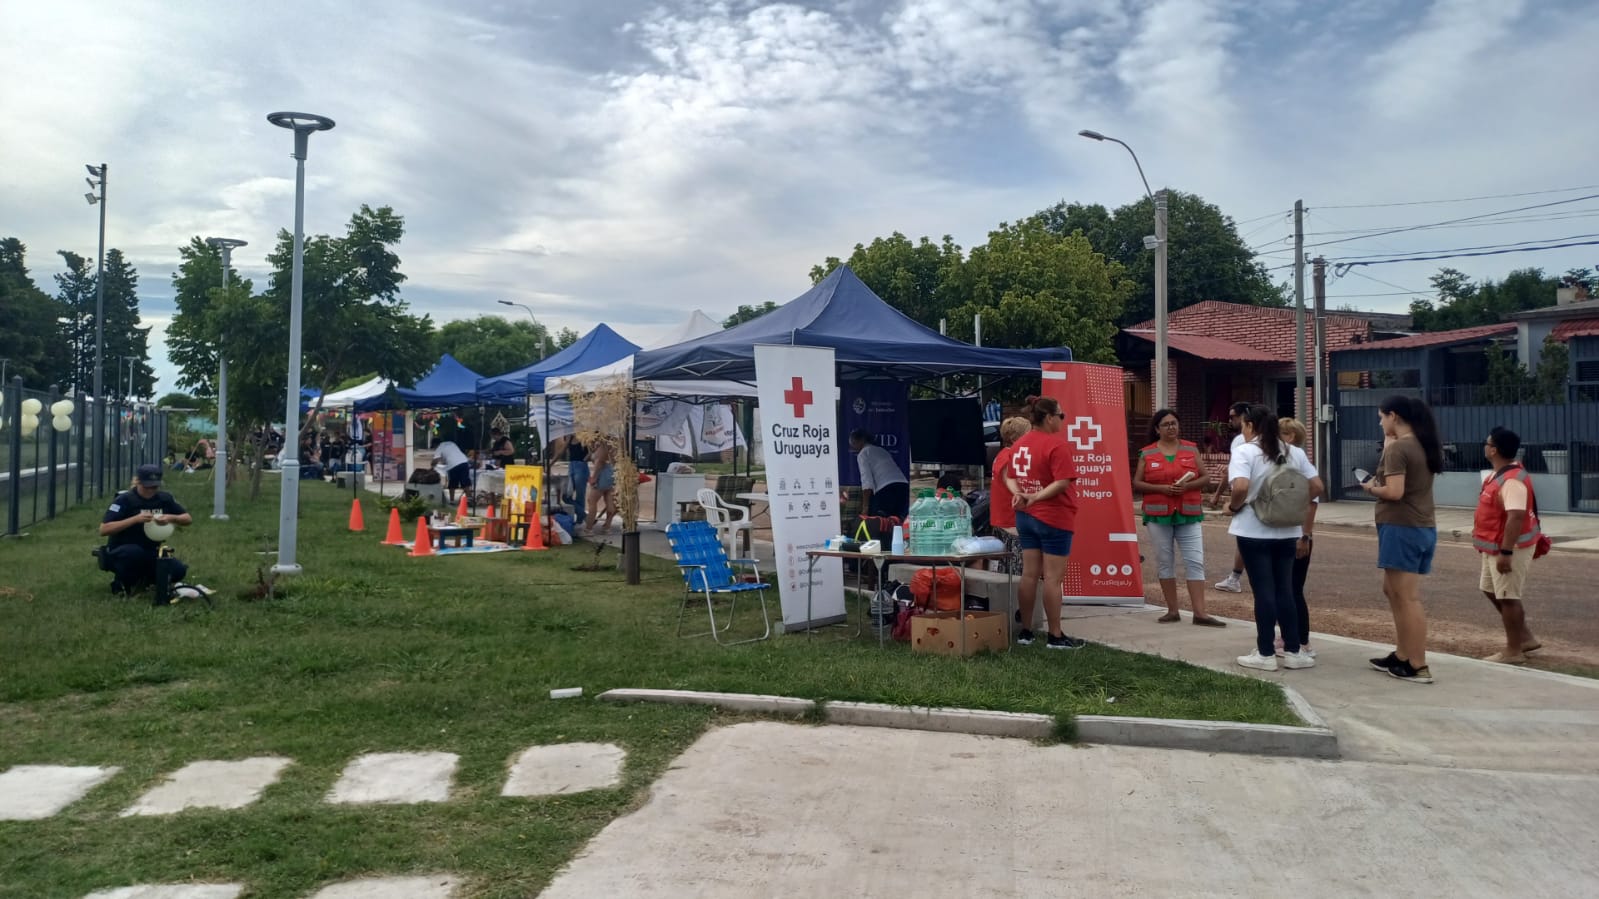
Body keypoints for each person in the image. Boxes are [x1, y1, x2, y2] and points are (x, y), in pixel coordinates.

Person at [1226, 404, 1323, 672]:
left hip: (1252, 529)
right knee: (1285, 590)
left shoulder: (1245, 451)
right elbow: (1316, 486)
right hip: (1288, 530)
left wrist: (1234, 506)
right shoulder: (1294, 452)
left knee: (1264, 591)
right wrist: (1292, 505)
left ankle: (1266, 652)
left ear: (1249, 426)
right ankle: (1293, 650)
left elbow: (1241, 486)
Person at [1362, 395, 1443, 684]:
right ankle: (1403, 653)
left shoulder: (1400, 449)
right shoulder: (1419, 443)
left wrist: (1371, 488)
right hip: (1417, 527)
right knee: (1393, 591)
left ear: (1394, 416)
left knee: (1407, 597)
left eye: (1382, 417)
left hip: (1402, 527)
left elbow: (1394, 492)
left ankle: (1418, 663)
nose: (1380, 422)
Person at [1004, 395, 1083, 650]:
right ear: (1049, 418)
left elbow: (1010, 475)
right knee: (1052, 579)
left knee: (1029, 575)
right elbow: (1062, 482)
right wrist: (1036, 496)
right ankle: (1055, 635)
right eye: (1061, 415)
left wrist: (1021, 494)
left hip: (1025, 517)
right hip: (1053, 517)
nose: (1063, 420)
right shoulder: (1056, 446)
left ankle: (1025, 632)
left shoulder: (1019, 445)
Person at [1133, 409, 1224, 627]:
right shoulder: (1147, 453)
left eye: (1174, 423)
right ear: (1157, 429)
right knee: (1165, 563)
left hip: (1188, 514)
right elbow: (1137, 483)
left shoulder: (1190, 449)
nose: (1171, 427)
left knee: (1195, 561)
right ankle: (1172, 610)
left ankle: (1200, 613)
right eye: (1166, 424)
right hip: (1158, 515)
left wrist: (1187, 486)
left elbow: (1205, 477)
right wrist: (1163, 489)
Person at [1474, 426, 1544, 665]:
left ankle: (1513, 650)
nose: (1484, 445)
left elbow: (1515, 516)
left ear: (1493, 450)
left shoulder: (1512, 481)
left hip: (1506, 549)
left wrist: (1506, 552)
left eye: (1487, 442)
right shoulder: (1499, 474)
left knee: (1508, 597)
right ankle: (1524, 638)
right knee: (1491, 589)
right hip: (1494, 547)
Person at [99, 464, 192, 595]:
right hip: (123, 550)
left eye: (154, 487)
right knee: (134, 553)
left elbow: (187, 518)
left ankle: (147, 580)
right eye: (146, 487)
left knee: (178, 570)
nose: (150, 491)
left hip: (151, 550)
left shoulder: (164, 499)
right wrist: (135, 519)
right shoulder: (124, 500)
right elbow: (104, 529)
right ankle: (123, 582)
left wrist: (170, 517)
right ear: (138, 482)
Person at [1278, 417, 1319, 657]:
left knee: (1293, 589)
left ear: (1290, 437)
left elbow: (1311, 506)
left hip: (1298, 536)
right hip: (1290, 534)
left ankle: (1302, 640)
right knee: (1286, 588)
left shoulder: (1302, 467)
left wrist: (1304, 536)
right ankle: (1287, 636)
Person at [1211, 401, 1252, 594]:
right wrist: (1218, 493)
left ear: (1245, 416)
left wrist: (1233, 505)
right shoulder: (1274, 442)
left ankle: (1235, 578)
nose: (1230, 420)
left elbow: (1235, 474)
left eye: (1233, 416)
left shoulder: (1240, 443)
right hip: (1258, 498)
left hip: (1245, 498)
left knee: (1245, 539)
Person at [988, 417, 1030, 575]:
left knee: (1008, 571)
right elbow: (1012, 484)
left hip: (1004, 519)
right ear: (1017, 438)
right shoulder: (1010, 457)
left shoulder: (1003, 455)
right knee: (1016, 572)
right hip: (1010, 522)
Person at [849, 429, 910, 519]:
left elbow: (867, 483)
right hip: (903, 487)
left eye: (854, 443)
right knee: (897, 521)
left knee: (879, 523)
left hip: (886, 490)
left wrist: (865, 508)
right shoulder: (882, 450)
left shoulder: (863, 454)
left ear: (861, 440)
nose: (853, 447)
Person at [584, 438, 618, 535]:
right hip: (611, 474)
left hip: (602, 475)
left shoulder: (603, 446)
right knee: (609, 501)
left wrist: (594, 477)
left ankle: (589, 528)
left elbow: (600, 462)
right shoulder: (612, 445)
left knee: (592, 501)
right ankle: (607, 527)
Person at [567, 437, 590, 525]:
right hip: (571, 465)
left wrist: (584, 460)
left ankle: (580, 519)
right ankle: (583, 515)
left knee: (580, 495)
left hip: (581, 466)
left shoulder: (585, 437)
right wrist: (551, 463)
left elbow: (591, 452)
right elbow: (562, 450)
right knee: (566, 495)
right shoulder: (570, 437)